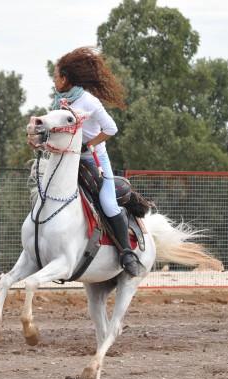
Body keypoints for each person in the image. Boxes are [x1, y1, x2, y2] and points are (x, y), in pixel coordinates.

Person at [31, 46, 145, 277]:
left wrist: (90, 144)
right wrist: (40, 142)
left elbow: (111, 128)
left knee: (109, 204)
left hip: (94, 159)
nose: (54, 80)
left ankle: (126, 253)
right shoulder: (59, 101)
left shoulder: (89, 102)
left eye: (56, 76)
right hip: (64, 158)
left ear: (66, 79)